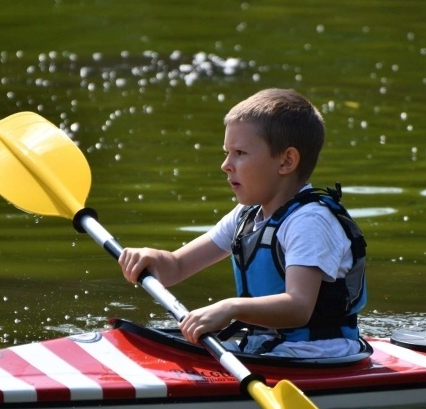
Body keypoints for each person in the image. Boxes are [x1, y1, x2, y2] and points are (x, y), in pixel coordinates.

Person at [118, 88, 367, 358]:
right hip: (267, 351)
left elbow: (298, 306)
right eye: (227, 152)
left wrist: (231, 308)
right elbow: (175, 267)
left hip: (317, 354)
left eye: (239, 152)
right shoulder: (246, 215)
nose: (226, 165)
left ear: (286, 161)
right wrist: (151, 258)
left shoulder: (309, 221)